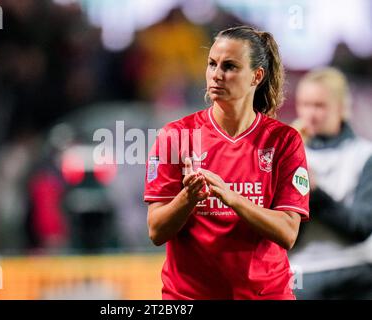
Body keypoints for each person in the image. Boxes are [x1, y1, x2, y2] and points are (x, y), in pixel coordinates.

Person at [144, 26, 310, 300]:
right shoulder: (176, 136)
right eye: (212, 64)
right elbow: (156, 231)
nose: (217, 75)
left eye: (230, 66)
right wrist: (188, 197)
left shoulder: (284, 141)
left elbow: (288, 232)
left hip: (265, 295)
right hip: (188, 297)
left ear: (257, 76)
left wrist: (231, 197)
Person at [290, 67, 372, 299]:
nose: (310, 114)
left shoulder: (365, 154)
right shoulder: (288, 157)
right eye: (304, 104)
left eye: (320, 106)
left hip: (354, 267)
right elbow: (285, 237)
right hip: (303, 270)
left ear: (342, 108)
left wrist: (314, 192)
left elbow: (361, 227)